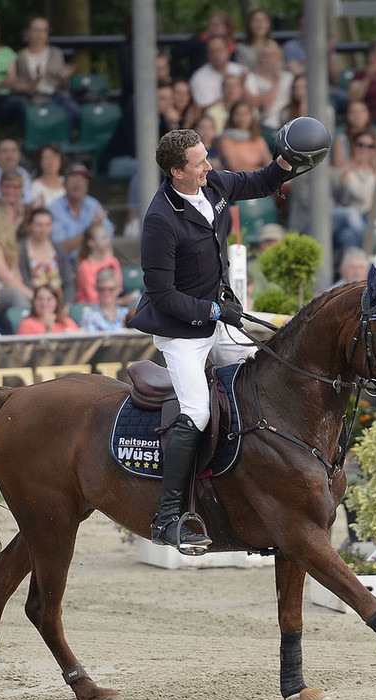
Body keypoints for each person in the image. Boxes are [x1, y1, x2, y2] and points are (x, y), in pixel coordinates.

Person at [127, 127, 297, 551]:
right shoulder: (159, 220)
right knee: (198, 411)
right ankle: (167, 517)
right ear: (176, 172)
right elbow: (163, 296)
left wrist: (287, 164)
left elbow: (258, 182)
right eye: (200, 162)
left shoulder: (213, 183)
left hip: (217, 317)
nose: (209, 166)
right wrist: (215, 311)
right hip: (181, 332)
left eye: (207, 157)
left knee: (259, 380)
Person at [14, 15, 80, 140]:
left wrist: (63, 77)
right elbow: (22, 86)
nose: (40, 34)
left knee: (75, 111)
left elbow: (64, 86)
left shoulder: (56, 53)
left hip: (58, 94)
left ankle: (69, 147)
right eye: (36, 30)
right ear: (27, 33)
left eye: (44, 30)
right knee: (59, 114)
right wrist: (37, 80)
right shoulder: (20, 57)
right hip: (37, 98)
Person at [49, 163, 114, 267]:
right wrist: (91, 230)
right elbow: (59, 248)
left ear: (87, 185)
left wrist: (98, 230)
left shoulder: (93, 205)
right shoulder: (54, 209)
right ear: (64, 184)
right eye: (73, 180)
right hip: (65, 266)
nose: (78, 184)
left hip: (93, 264)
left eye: (82, 181)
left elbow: (108, 234)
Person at [18, 207, 75, 300]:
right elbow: (22, 280)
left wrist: (67, 304)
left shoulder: (59, 250)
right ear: (30, 225)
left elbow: (68, 282)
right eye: (39, 225)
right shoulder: (21, 250)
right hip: (32, 301)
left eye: (47, 225)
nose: (43, 229)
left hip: (59, 303)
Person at [244, 40, 294, 136]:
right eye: (265, 55)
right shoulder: (252, 78)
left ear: (279, 57)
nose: (269, 59)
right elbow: (264, 106)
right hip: (266, 126)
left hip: (290, 122)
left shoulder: (289, 77)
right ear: (259, 58)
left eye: (273, 55)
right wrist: (276, 82)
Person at [189, 35, 246, 111]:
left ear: (228, 50)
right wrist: (229, 96)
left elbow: (257, 104)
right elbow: (204, 110)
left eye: (220, 50)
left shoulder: (242, 70)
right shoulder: (198, 78)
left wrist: (244, 87)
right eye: (212, 51)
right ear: (207, 54)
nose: (217, 55)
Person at [217, 99, 273, 173]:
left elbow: (269, 163)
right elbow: (234, 167)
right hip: (238, 180)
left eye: (246, 113)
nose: (242, 118)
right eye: (238, 114)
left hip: (260, 178)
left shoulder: (258, 139)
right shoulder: (226, 140)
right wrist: (263, 171)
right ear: (232, 117)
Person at [74, 221, 124, 304]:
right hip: (89, 307)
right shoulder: (85, 266)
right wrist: (121, 301)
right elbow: (92, 297)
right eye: (103, 237)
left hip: (112, 304)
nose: (108, 240)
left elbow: (118, 288)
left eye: (108, 236)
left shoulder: (113, 261)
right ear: (91, 243)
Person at [348, 40, 376, 125]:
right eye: (375, 53)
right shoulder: (360, 75)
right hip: (368, 117)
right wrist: (368, 78)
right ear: (369, 56)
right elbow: (354, 98)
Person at [331, 100, 372, 169]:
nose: (357, 115)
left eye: (362, 111)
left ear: (368, 115)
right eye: (353, 112)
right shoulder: (341, 140)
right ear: (347, 116)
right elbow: (339, 167)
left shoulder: (375, 139)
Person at [235, 7, 274, 72]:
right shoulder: (241, 49)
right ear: (249, 24)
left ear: (268, 24)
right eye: (255, 20)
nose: (260, 23)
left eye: (263, 20)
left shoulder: (275, 47)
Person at [31, 143, 66, 208]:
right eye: (46, 157)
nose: (51, 161)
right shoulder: (34, 187)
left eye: (54, 156)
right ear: (40, 162)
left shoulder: (67, 183)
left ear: (60, 161)